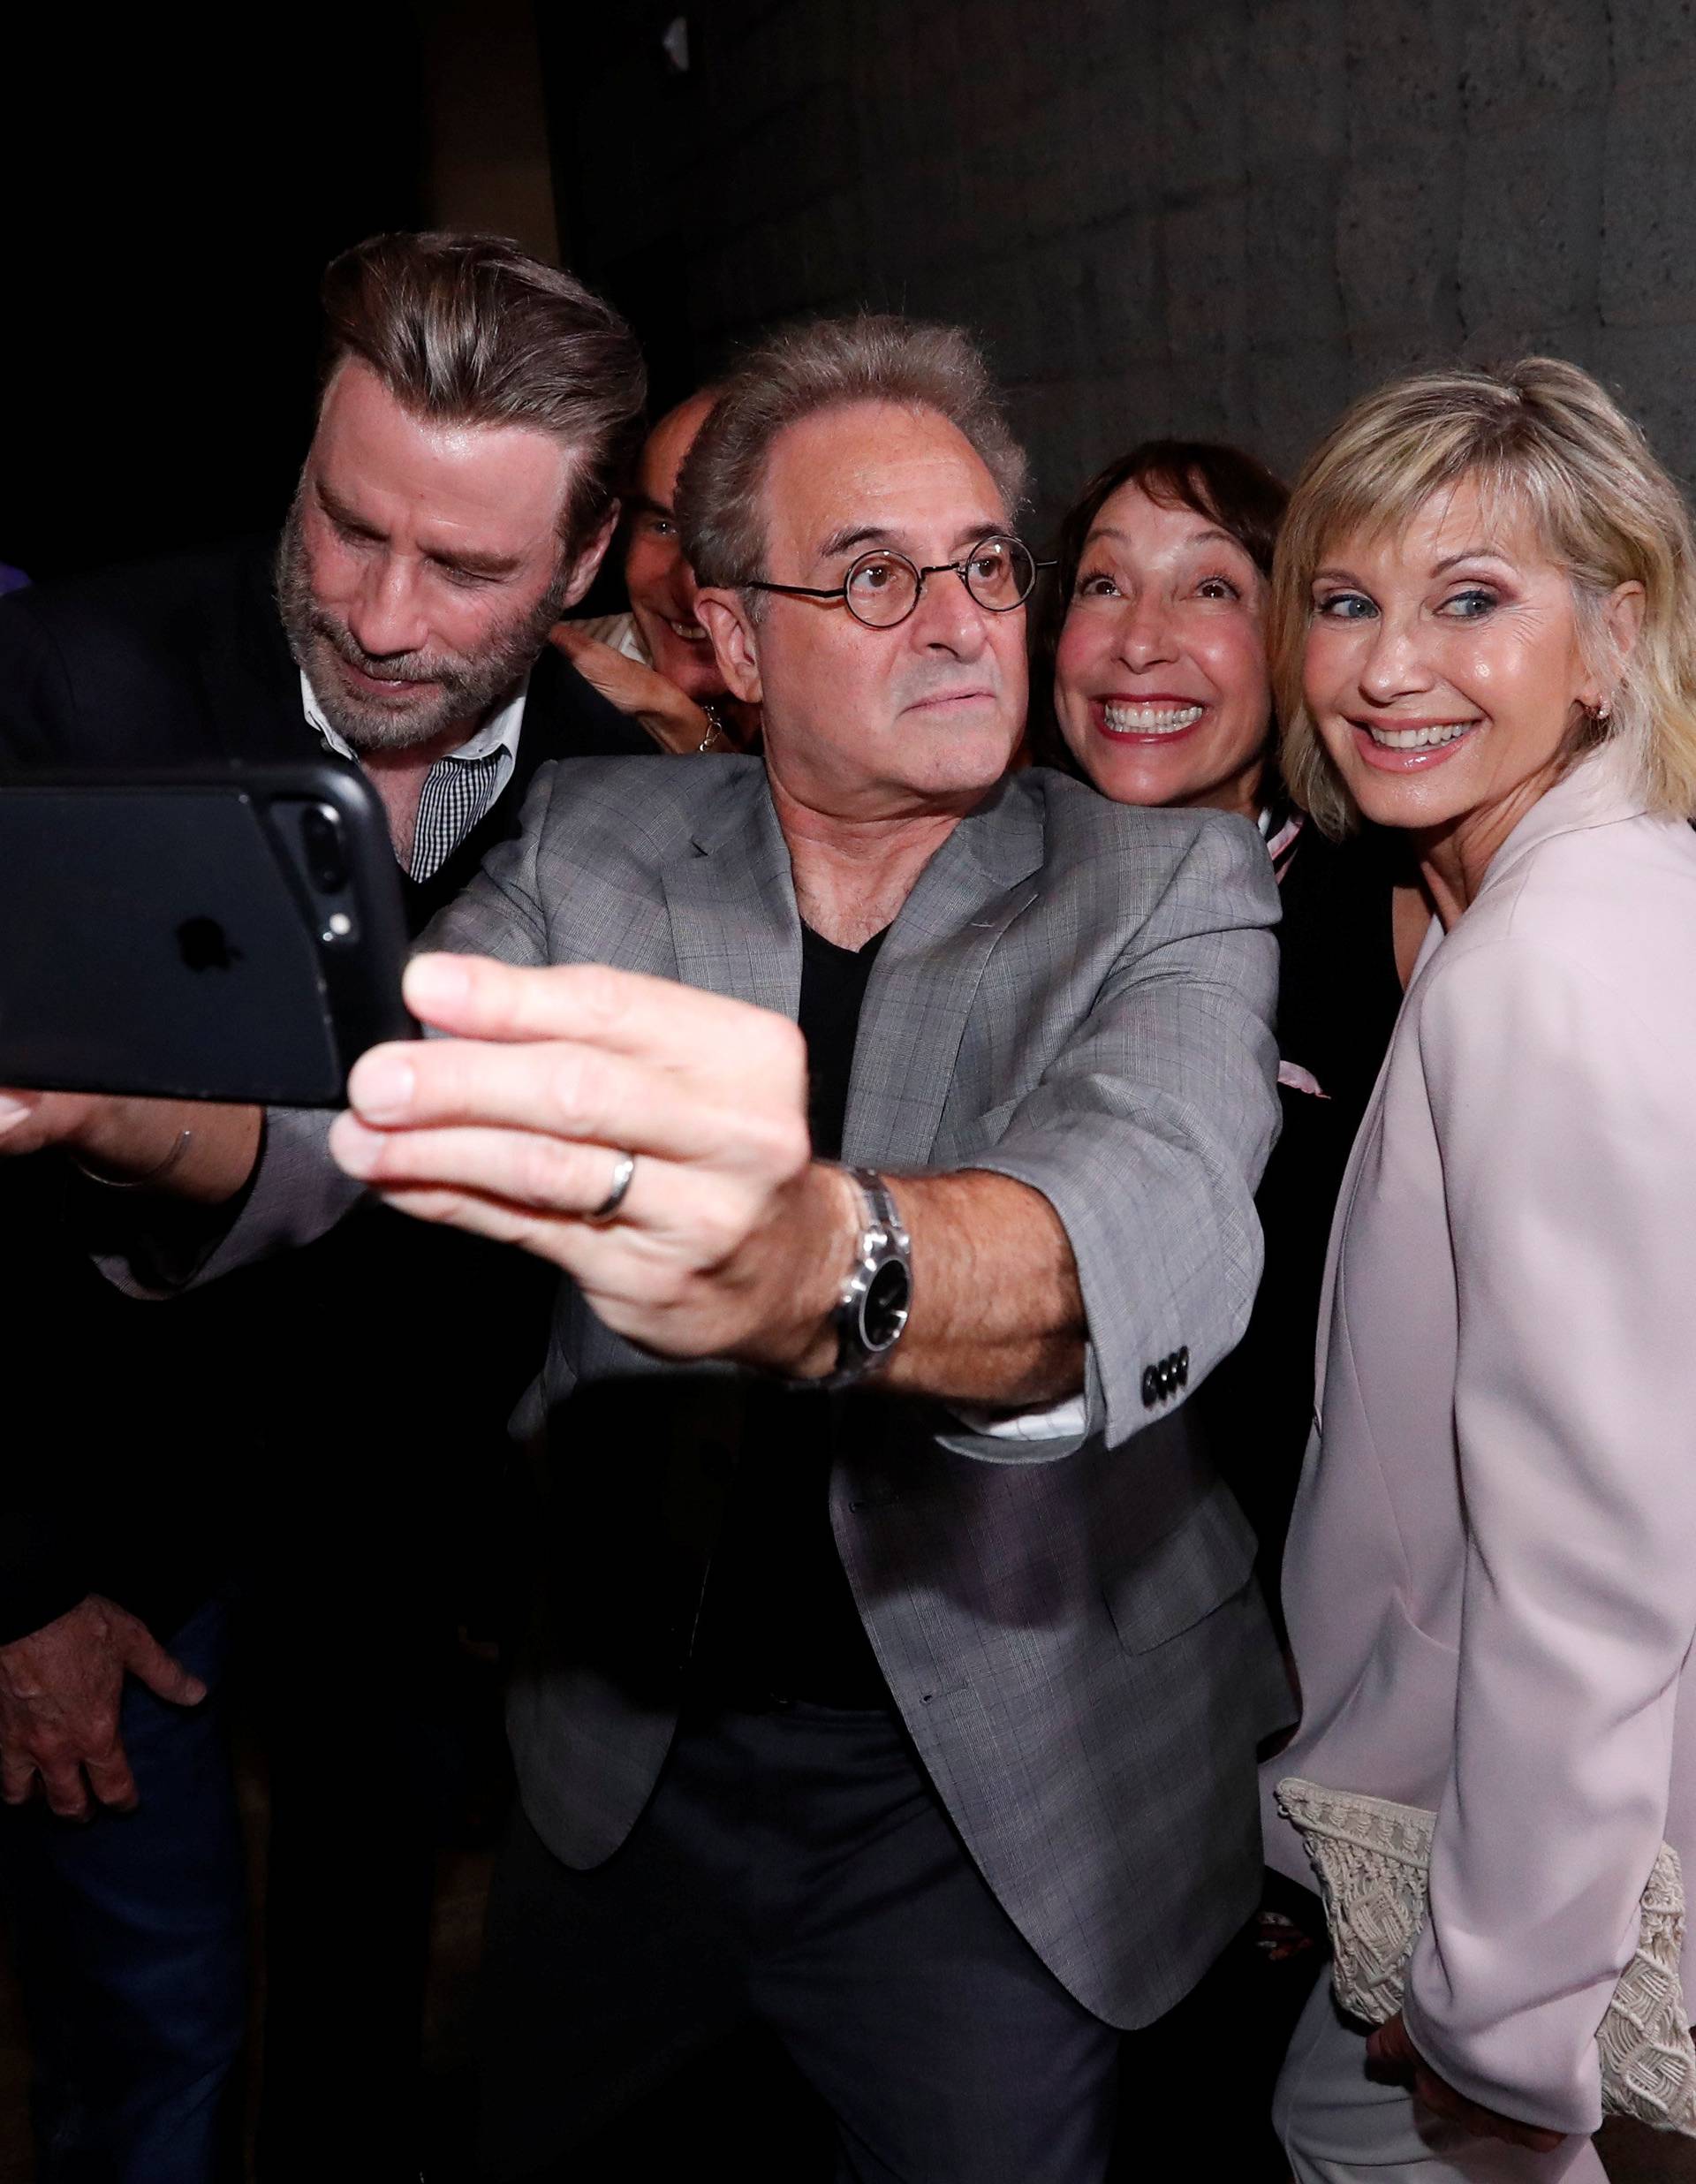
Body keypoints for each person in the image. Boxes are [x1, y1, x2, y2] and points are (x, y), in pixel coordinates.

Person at [11, 315, 1289, 2183]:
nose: (956, 621)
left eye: (987, 566)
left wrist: (813, 1260)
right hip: (631, 1768)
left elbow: (1136, 1216)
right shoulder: (598, 844)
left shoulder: (1158, 882)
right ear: (732, 639)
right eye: (870, 577)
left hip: (992, 1808)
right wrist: (113, 1114)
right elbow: (362, 1106)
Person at [0, 229, 650, 2183]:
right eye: (346, 524)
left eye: (464, 571)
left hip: (402, 1556)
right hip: (89, 1524)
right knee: (156, 2045)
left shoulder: (628, 805)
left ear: (591, 563)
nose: (376, 614)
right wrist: (16, 1581)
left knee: (370, 2040)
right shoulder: (61, 686)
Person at [1259, 358, 1696, 2181]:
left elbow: (1592, 1550)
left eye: (1470, 602)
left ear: (1614, 637)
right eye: (1345, 603)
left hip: (1563, 1867)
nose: (1382, 667)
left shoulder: (1552, 958)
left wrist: (1506, 2034)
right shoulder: (1583, 898)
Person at [1046, 441, 1425, 1587]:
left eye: (1209, 587)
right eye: (1102, 584)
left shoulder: (1396, 917)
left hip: (1318, 1622)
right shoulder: (975, 903)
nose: (1139, 639)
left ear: (1290, 646)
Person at [556, 387, 761, 752]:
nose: (688, 583)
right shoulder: (554, 682)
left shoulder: (862, 704)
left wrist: (682, 725)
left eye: (730, 541)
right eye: (663, 527)